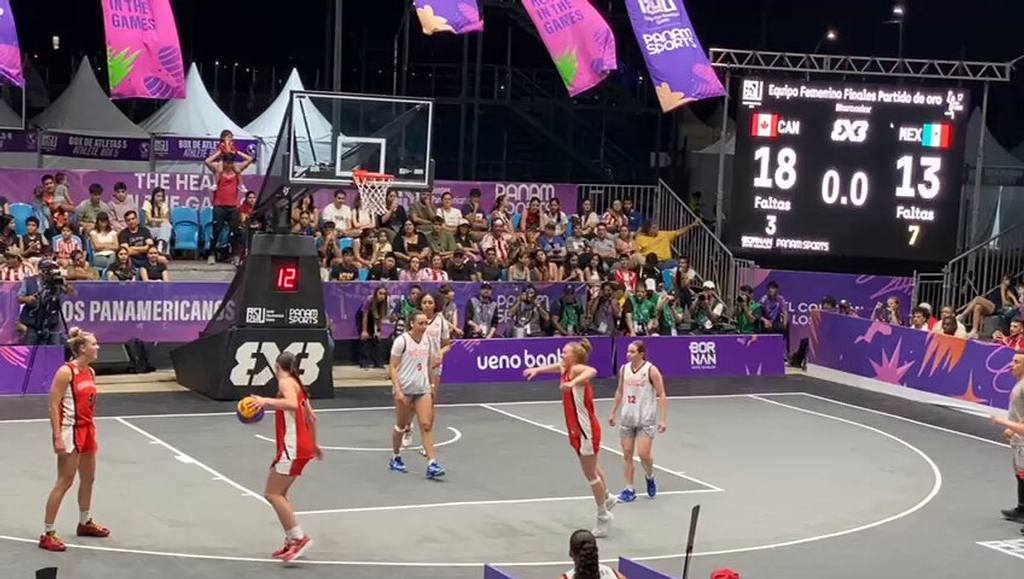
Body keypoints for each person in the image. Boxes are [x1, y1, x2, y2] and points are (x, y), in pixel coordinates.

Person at [524, 339, 618, 537]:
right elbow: (555, 367)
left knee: (590, 474)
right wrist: (537, 370)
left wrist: (573, 383)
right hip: (576, 428)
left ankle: (603, 516)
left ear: (574, 356)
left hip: (586, 429)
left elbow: (591, 371)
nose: (561, 355)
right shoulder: (565, 368)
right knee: (591, 466)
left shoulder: (576, 370)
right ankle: (607, 497)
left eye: (565, 352)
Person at [247, 352, 323, 563]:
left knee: (272, 494)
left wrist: (264, 400)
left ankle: (300, 538)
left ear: (276, 366)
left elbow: (289, 404)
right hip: (301, 446)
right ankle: (291, 539)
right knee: (280, 493)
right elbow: (311, 417)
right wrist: (314, 444)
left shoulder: (286, 383)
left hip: (293, 447)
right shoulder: (297, 383)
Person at [39, 328, 109, 552]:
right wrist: (57, 436)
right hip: (70, 431)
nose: (97, 347)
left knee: (89, 478)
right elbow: (53, 405)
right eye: (93, 344)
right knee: (64, 481)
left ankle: (85, 522)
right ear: (81, 348)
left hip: (88, 429)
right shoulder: (65, 372)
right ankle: (47, 533)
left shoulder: (90, 372)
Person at [388, 312, 447, 479]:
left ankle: (432, 463)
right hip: (405, 390)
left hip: (422, 389)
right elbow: (392, 367)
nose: (424, 326)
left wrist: (431, 383)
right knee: (401, 426)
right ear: (412, 324)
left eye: (425, 323)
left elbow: (427, 364)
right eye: (420, 323)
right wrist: (398, 390)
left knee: (426, 424)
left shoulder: (427, 341)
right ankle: (395, 456)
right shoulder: (402, 341)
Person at [608, 340, 667, 502]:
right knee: (627, 454)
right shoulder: (624, 369)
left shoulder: (651, 370)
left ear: (641, 354)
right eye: (628, 351)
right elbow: (620, 391)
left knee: (643, 454)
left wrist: (662, 419)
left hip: (645, 419)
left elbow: (661, 394)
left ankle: (649, 476)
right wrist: (613, 412)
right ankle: (629, 489)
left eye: (632, 352)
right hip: (628, 417)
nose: (628, 354)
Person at [204, 146, 254, 265]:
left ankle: (235, 255)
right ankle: (211, 255)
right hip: (219, 206)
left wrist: (237, 151)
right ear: (224, 161)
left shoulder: (237, 169)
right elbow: (207, 161)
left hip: (232, 207)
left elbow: (250, 159)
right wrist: (220, 153)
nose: (228, 165)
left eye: (231, 162)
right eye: (227, 162)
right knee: (216, 231)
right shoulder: (218, 168)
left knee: (235, 232)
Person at [990, 353, 1024, 527]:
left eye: (1017, 362)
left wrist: (1004, 422)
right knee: (1020, 473)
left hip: (1022, 439)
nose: (1012, 365)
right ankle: (1022, 508)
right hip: (1018, 437)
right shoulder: (1019, 385)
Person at [18, 260, 69, 345]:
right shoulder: (29, 281)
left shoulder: (56, 282)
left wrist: (64, 284)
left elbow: (70, 292)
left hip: (52, 320)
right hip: (34, 320)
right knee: (31, 348)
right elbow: (19, 298)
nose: (50, 273)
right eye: (49, 270)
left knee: (54, 348)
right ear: (41, 270)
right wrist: (28, 299)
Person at [960, 274, 1019, 339]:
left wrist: (1003, 291)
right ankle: (974, 330)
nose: (1004, 281)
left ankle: (963, 316)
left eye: (1006, 280)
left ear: (1010, 281)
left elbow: (1005, 303)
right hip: (991, 305)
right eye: (1003, 279)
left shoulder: (1010, 290)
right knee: (978, 306)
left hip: (998, 308)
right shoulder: (998, 289)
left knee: (977, 298)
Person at [360, 286, 392, 369]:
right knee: (366, 339)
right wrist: (364, 330)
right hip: (364, 316)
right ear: (375, 294)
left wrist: (378, 331)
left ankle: (378, 362)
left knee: (377, 339)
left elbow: (379, 317)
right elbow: (365, 315)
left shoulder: (383, 303)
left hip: (374, 317)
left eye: (384, 294)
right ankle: (364, 362)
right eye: (380, 293)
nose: (382, 296)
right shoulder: (369, 300)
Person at [759, 281, 788, 347]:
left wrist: (784, 324)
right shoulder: (764, 299)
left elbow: (785, 311)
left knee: (783, 328)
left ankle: (782, 349)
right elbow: (758, 313)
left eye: (772, 288)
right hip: (765, 321)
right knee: (765, 328)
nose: (770, 290)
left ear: (776, 290)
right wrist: (765, 320)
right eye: (769, 288)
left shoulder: (780, 299)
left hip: (775, 322)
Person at [142, 187, 171, 253]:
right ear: (153, 196)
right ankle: (162, 246)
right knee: (167, 227)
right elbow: (149, 219)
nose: (160, 198)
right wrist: (161, 220)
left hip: (160, 229)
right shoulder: (147, 203)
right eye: (158, 196)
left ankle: (160, 244)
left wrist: (161, 208)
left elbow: (166, 219)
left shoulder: (163, 205)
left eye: (161, 196)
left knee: (167, 226)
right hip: (149, 229)